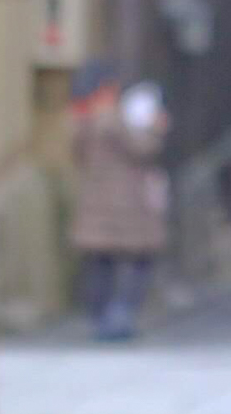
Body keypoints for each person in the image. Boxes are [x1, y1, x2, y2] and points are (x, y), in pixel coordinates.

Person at [68, 63, 168, 341]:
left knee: (100, 263)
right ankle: (120, 316)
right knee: (138, 259)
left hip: (94, 203)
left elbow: (77, 154)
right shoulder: (114, 118)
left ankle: (100, 318)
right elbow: (143, 149)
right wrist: (156, 129)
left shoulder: (82, 119)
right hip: (126, 205)